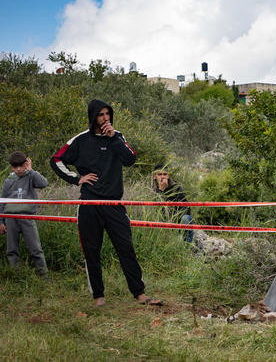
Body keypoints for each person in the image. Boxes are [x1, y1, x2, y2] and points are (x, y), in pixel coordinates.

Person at [50, 99, 162, 307]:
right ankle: (98, 297)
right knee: (91, 251)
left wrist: (113, 139)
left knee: (126, 248)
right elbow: (56, 159)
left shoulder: (117, 136)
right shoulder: (81, 140)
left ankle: (140, 294)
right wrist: (77, 179)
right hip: (89, 204)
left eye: (107, 114)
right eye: (101, 115)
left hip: (114, 204)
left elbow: (130, 159)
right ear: (93, 117)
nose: (105, 118)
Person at [0, 151, 49, 277]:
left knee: (35, 248)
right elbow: (2, 201)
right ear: (12, 167)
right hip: (10, 218)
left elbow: (44, 183)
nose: (19, 169)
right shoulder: (8, 181)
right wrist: (1, 221)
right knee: (11, 249)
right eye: (15, 167)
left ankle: (43, 275)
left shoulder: (31, 176)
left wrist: (31, 170)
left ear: (26, 164)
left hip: (27, 217)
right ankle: (16, 274)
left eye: (21, 166)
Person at [152, 170, 194, 243]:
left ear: (168, 176)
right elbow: (154, 209)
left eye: (165, 174)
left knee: (186, 218)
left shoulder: (177, 188)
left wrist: (173, 206)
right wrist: (161, 190)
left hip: (177, 219)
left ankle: (187, 247)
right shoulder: (151, 190)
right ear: (154, 176)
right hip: (160, 221)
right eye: (159, 174)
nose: (162, 176)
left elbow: (186, 208)